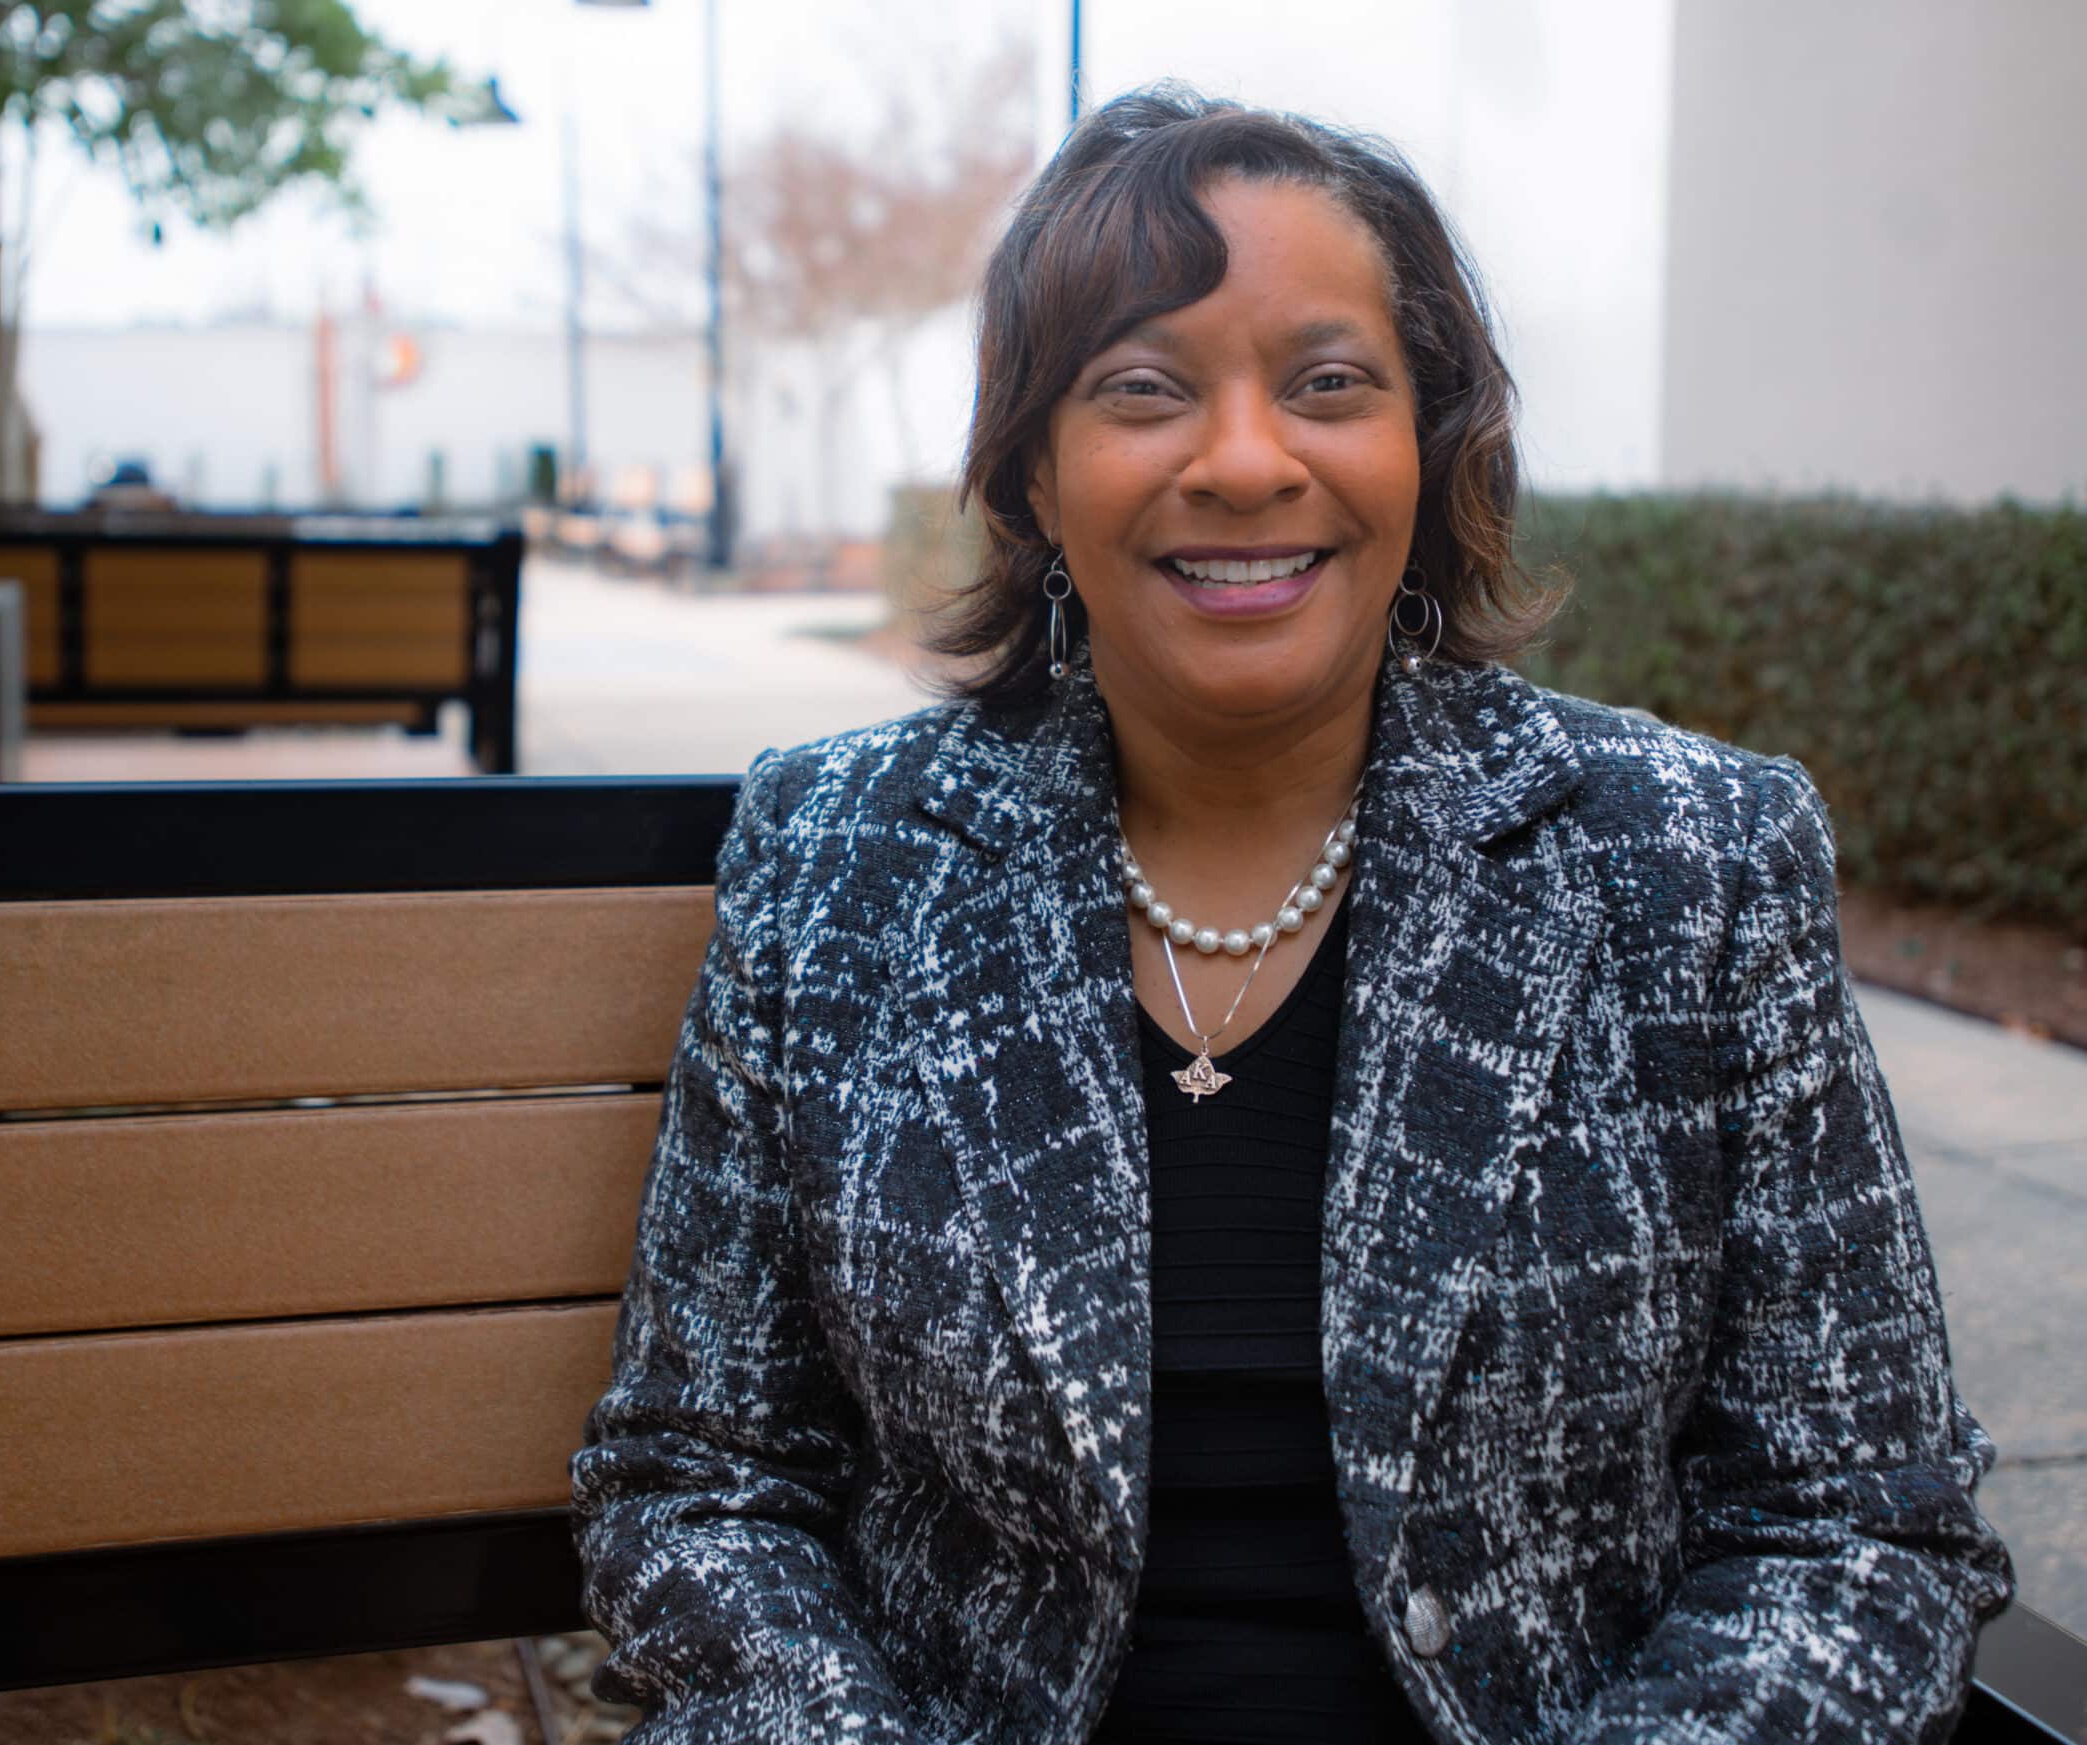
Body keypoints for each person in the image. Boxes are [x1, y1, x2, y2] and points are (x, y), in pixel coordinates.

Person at [569, 87, 2013, 1745]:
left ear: (1429, 446)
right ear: (1034, 473)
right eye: (1144, 390)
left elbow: (1859, 1514)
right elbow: (699, 1477)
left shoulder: (1695, 860)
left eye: (1330, 384)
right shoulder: (841, 857)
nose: (1247, 460)